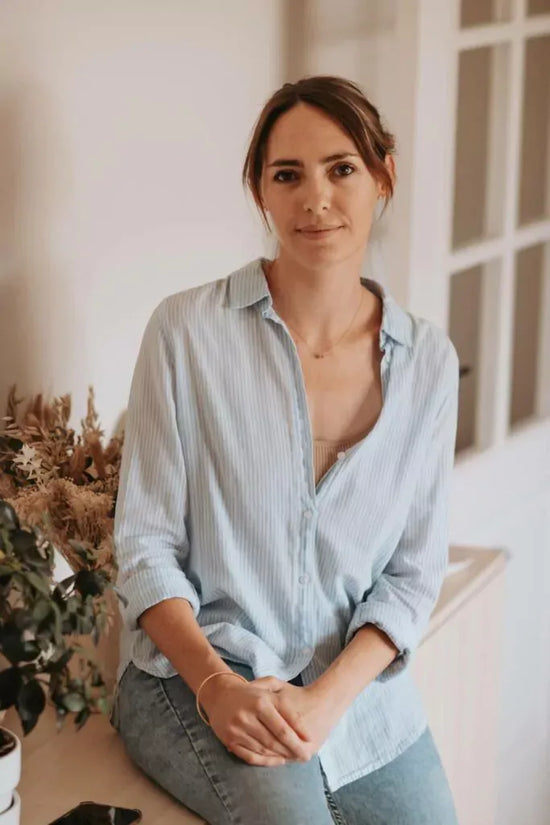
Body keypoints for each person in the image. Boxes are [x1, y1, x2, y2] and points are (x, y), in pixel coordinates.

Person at [109, 75, 460, 824]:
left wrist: (329, 700)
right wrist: (216, 686)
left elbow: (412, 572)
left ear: (383, 176)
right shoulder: (185, 333)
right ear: (260, 192)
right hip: (195, 675)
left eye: (342, 169)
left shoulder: (428, 362)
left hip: (355, 696)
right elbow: (144, 546)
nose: (316, 199)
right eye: (287, 175)